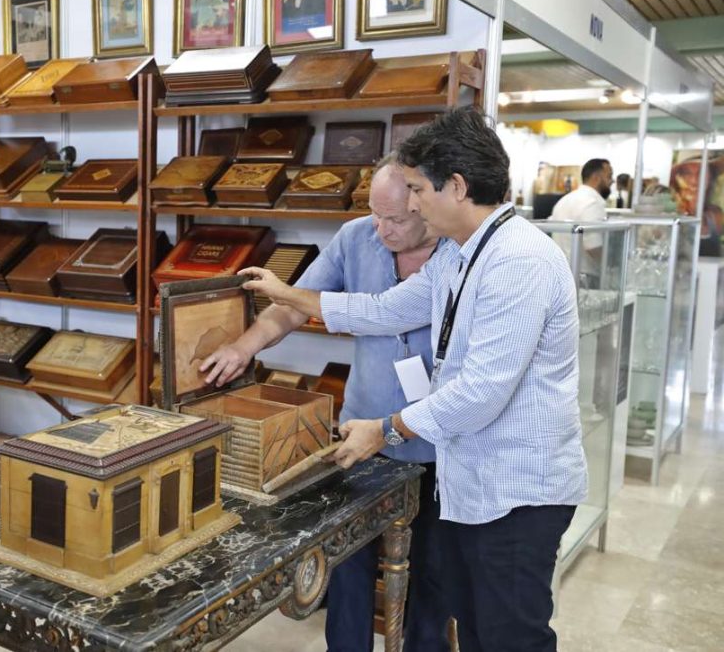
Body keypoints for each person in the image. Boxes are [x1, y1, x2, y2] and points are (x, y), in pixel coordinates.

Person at [239, 107, 587, 652]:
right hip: (475, 483)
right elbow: (385, 310)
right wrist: (290, 296)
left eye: (419, 189)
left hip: (517, 492)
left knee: (509, 636)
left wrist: (386, 428)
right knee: (475, 628)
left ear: (456, 186)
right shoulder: (461, 255)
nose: (415, 203)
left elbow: (480, 394)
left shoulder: (518, 261)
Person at [201, 156, 450, 652]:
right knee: (349, 559)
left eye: (396, 219)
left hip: (439, 439)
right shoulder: (356, 236)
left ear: (427, 203)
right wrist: (243, 347)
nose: (381, 230)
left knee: (434, 571)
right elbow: (292, 307)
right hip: (362, 433)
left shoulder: (458, 252)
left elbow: (365, 312)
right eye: (375, 215)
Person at [550, 157, 611, 223]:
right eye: (609, 176)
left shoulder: (562, 201)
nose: (612, 181)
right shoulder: (592, 204)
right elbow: (596, 233)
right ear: (596, 178)